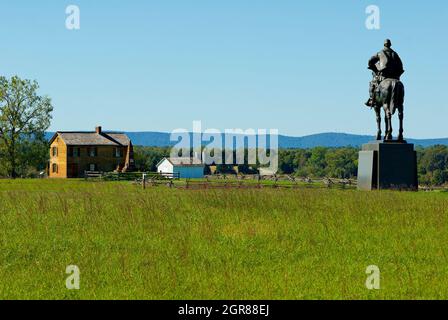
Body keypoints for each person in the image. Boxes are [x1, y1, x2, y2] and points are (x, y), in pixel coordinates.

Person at [365, 39, 405, 107]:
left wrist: (374, 68)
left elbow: (370, 61)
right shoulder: (395, 54)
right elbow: (401, 66)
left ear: (384, 45)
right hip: (394, 76)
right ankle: (400, 106)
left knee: (372, 84)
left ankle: (372, 100)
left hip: (384, 75)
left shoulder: (380, 53)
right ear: (390, 45)